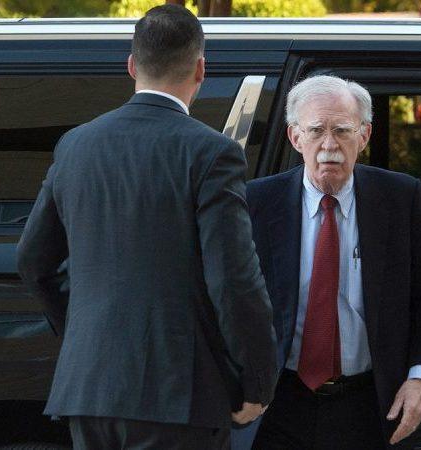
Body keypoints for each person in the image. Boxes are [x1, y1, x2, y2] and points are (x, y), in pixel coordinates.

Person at [16, 5, 277, 449]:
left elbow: (32, 262)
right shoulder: (212, 153)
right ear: (201, 69)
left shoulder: (75, 144)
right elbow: (233, 280)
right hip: (178, 395)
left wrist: (84, 333)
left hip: (89, 388)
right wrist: (257, 383)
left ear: (132, 66)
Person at [243, 75, 421, 449]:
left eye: (342, 130)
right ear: (295, 138)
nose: (329, 145)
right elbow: (228, 298)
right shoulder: (256, 202)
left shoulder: (401, 198)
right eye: (316, 131)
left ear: (364, 136)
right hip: (275, 404)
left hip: (368, 404)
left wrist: (420, 378)